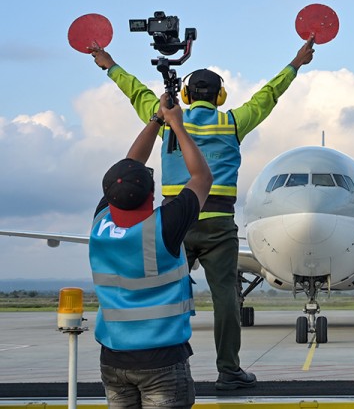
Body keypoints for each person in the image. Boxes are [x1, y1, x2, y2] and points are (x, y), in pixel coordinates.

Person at [90, 36, 315, 390]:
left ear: (188, 96)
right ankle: (229, 370)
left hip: (173, 221)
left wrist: (109, 64)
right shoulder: (232, 122)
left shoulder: (164, 117)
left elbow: (134, 91)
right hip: (219, 224)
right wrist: (296, 63)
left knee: (166, 291)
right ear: (219, 96)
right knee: (226, 296)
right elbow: (268, 96)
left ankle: (166, 364)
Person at [90, 93, 212, 408]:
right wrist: (176, 125)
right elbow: (201, 177)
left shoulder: (100, 222)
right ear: (151, 193)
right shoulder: (165, 226)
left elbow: (128, 168)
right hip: (162, 361)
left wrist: (156, 120)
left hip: (113, 361)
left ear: (110, 195)